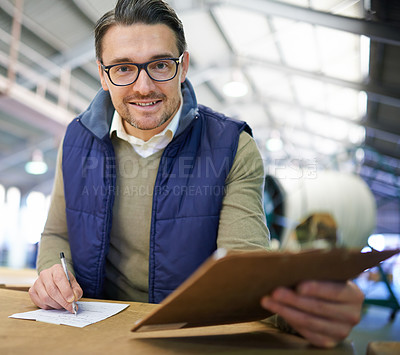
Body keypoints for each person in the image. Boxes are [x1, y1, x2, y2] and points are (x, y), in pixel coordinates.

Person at [29, 0, 364, 348]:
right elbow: (56, 233)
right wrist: (53, 274)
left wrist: (306, 306)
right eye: (124, 68)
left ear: (183, 65)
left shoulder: (232, 145)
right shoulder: (76, 139)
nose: (143, 87)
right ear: (102, 74)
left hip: (189, 338)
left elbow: (243, 267)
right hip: (95, 335)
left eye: (160, 65)